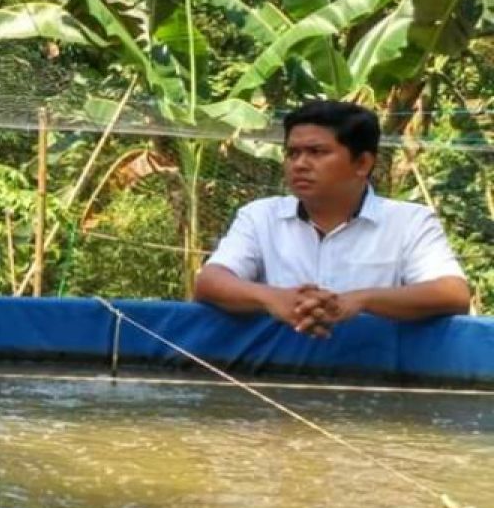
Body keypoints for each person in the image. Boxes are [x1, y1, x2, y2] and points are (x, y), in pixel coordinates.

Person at [193, 99, 470, 336]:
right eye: (292, 153)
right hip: (276, 372)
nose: (299, 164)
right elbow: (210, 281)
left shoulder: (410, 221)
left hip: (379, 376)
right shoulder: (260, 216)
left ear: (362, 163)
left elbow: (452, 293)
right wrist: (273, 298)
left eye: (316, 152)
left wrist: (360, 300)